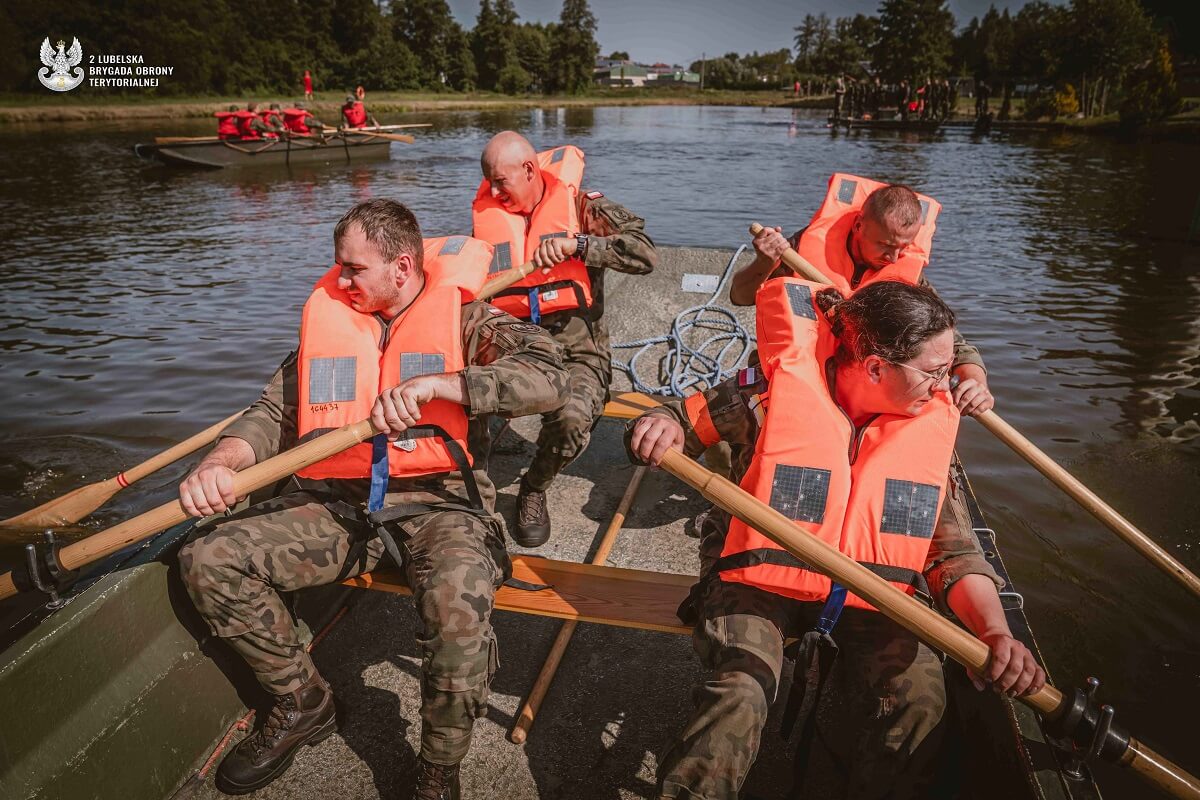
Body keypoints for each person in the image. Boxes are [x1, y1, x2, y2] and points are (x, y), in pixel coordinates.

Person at [176, 199, 568, 799]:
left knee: (458, 616)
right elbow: (272, 413)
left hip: (440, 505)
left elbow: (549, 375)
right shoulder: (330, 321)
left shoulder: (467, 321)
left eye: (353, 269)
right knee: (208, 558)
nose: (341, 280)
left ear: (403, 268)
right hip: (338, 504)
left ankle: (439, 767)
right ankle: (301, 699)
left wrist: (449, 384)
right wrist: (220, 461)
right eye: (340, 268)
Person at [629, 278, 1046, 800]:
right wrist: (657, 424)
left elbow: (955, 554)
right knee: (742, 690)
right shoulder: (766, 393)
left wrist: (994, 632)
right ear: (874, 367)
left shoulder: (926, 429)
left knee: (921, 697)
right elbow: (679, 419)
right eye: (935, 373)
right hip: (759, 582)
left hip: (871, 593)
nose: (946, 389)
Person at [472, 130, 656, 546]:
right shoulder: (488, 214)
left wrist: (580, 245)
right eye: (489, 182)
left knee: (571, 422)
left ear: (530, 169)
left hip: (577, 350)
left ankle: (534, 487)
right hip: (512, 342)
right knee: (460, 394)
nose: (495, 192)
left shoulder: (582, 207)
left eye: (502, 181)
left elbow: (644, 253)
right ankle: (470, 501)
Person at [731, 176, 994, 418]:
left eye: (903, 248)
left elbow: (953, 344)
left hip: (864, 385)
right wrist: (764, 262)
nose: (893, 258)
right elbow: (740, 297)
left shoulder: (909, 277)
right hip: (800, 367)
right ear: (859, 226)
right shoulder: (798, 252)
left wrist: (976, 382)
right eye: (886, 245)